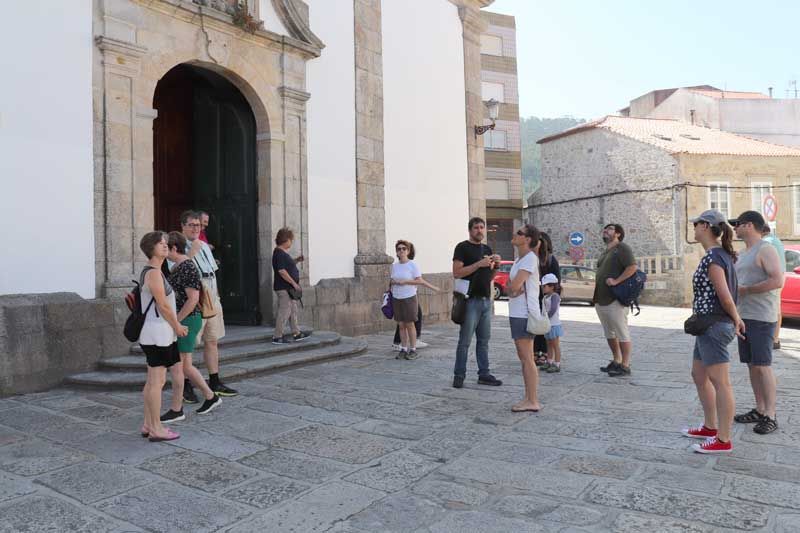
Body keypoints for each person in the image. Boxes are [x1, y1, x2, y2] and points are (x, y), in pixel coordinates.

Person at [682, 210, 744, 454]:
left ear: (706, 226)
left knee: (721, 382)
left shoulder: (714, 258)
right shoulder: (717, 255)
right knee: (699, 375)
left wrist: (736, 318)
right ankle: (710, 426)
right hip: (706, 325)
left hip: (714, 326)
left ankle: (723, 439)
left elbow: (725, 295)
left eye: (696, 224)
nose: (694, 228)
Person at [159, 232, 223, 423]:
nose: (163, 250)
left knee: (182, 366)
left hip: (188, 320)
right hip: (185, 319)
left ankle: (182, 407)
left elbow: (193, 299)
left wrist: (176, 321)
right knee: (183, 366)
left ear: (174, 248)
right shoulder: (179, 266)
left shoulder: (186, 266)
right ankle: (209, 397)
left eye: (165, 247)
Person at [730, 211, 783, 435]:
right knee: (752, 365)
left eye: (738, 224)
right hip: (745, 316)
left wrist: (746, 290)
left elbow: (777, 280)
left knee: (762, 365)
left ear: (749, 225)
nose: (734, 228)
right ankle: (760, 409)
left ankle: (770, 415)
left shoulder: (765, 249)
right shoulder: (744, 253)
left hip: (762, 316)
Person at [180, 210, 238, 401]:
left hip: (211, 296)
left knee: (212, 340)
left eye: (199, 225)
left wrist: (217, 298)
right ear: (183, 226)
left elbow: (212, 272)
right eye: (192, 225)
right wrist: (191, 252)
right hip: (194, 298)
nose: (196, 228)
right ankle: (185, 386)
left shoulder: (204, 245)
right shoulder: (177, 246)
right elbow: (175, 272)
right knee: (187, 347)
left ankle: (215, 381)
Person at [137, 231, 187, 442]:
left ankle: (149, 424)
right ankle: (157, 428)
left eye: (166, 243)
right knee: (157, 382)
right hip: (159, 332)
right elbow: (164, 305)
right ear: (151, 248)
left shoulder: (153, 271)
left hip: (155, 331)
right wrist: (177, 326)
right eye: (160, 243)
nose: (165, 246)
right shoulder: (154, 273)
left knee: (152, 381)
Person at [452, 217, 503, 388]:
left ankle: (484, 374)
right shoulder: (462, 247)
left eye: (482, 227)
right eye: (476, 228)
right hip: (469, 301)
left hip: (485, 300)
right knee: (465, 342)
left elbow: (489, 277)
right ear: (470, 230)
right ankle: (459, 375)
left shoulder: (487, 248)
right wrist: (479, 264)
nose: (479, 230)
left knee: (484, 341)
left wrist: (496, 266)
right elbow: (457, 273)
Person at [506, 224, 542, 412]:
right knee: (523, 357)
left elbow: (514, 286)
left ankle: (533, 400)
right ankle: (528, 397)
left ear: (527, 239)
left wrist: (513, 288)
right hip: (517, 312)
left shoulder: (529, 259)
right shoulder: (519, 260)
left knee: (527, 357)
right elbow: (509, 287)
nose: (515, 234)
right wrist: (512, 288)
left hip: (524, 313)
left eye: (519, 233)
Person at [595, 223, 638, 377]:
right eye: (605, 229)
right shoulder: (606, 251)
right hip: (601, 299)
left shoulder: (622, 248)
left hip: (615, 299)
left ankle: (625, 365)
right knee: (609, 333)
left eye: (610, 229)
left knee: (621, 332)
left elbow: (632, 267)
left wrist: (617, 281)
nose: (606, 230)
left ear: (618, 234)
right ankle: (616, 360)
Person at [390, 240, 440, 360]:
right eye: (399, 249)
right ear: (396, 252)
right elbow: (391, 280)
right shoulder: (394, 266)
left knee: (410, 324)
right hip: (397, 297)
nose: (401, 251)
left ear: (408, 251)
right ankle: (403, 348)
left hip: (409, 297)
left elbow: (419, 280)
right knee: (401, 325)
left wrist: (405, 282)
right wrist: (393, 282)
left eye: (404, 248)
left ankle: (413, 349)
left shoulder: (412, 265)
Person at [272, 227, 310, 345]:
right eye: (290, 240)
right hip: (284, 288)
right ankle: (277, 336)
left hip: (288, 288)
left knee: (293, 310)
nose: (291, 242)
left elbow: (287, 265)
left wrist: (297, 260)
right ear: (286, 240)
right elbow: (282, 271)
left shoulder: (282, 254)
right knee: (285, 311)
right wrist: (294, 283)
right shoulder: (279, 253)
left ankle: (296, 333)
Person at [534, 232, 560, 367]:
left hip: (545, 299)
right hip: (534, 298)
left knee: (545, 328)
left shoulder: (551, 260)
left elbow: (557, 281)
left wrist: (553, 297)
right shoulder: (532, 258)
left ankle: (545, 354)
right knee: (535, 326)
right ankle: (536, 351)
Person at [761, 225, 786, 349]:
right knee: (777, 308)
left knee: (774, 309)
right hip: (781, 276)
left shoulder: (766, 242)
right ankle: (775, 338)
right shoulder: (776, 240)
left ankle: (774, 339)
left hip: (774, 278)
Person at [541, 273, 563, 373]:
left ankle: (557, 363)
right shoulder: (545, 297)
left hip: (553, 324)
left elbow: (553, 309)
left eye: (544, 286)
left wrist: (546, 318)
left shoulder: (555, 296)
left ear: (552, 286)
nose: (543, 288)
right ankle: (549, 361)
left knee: (555, 345)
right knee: (548, 344)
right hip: (547, 324)